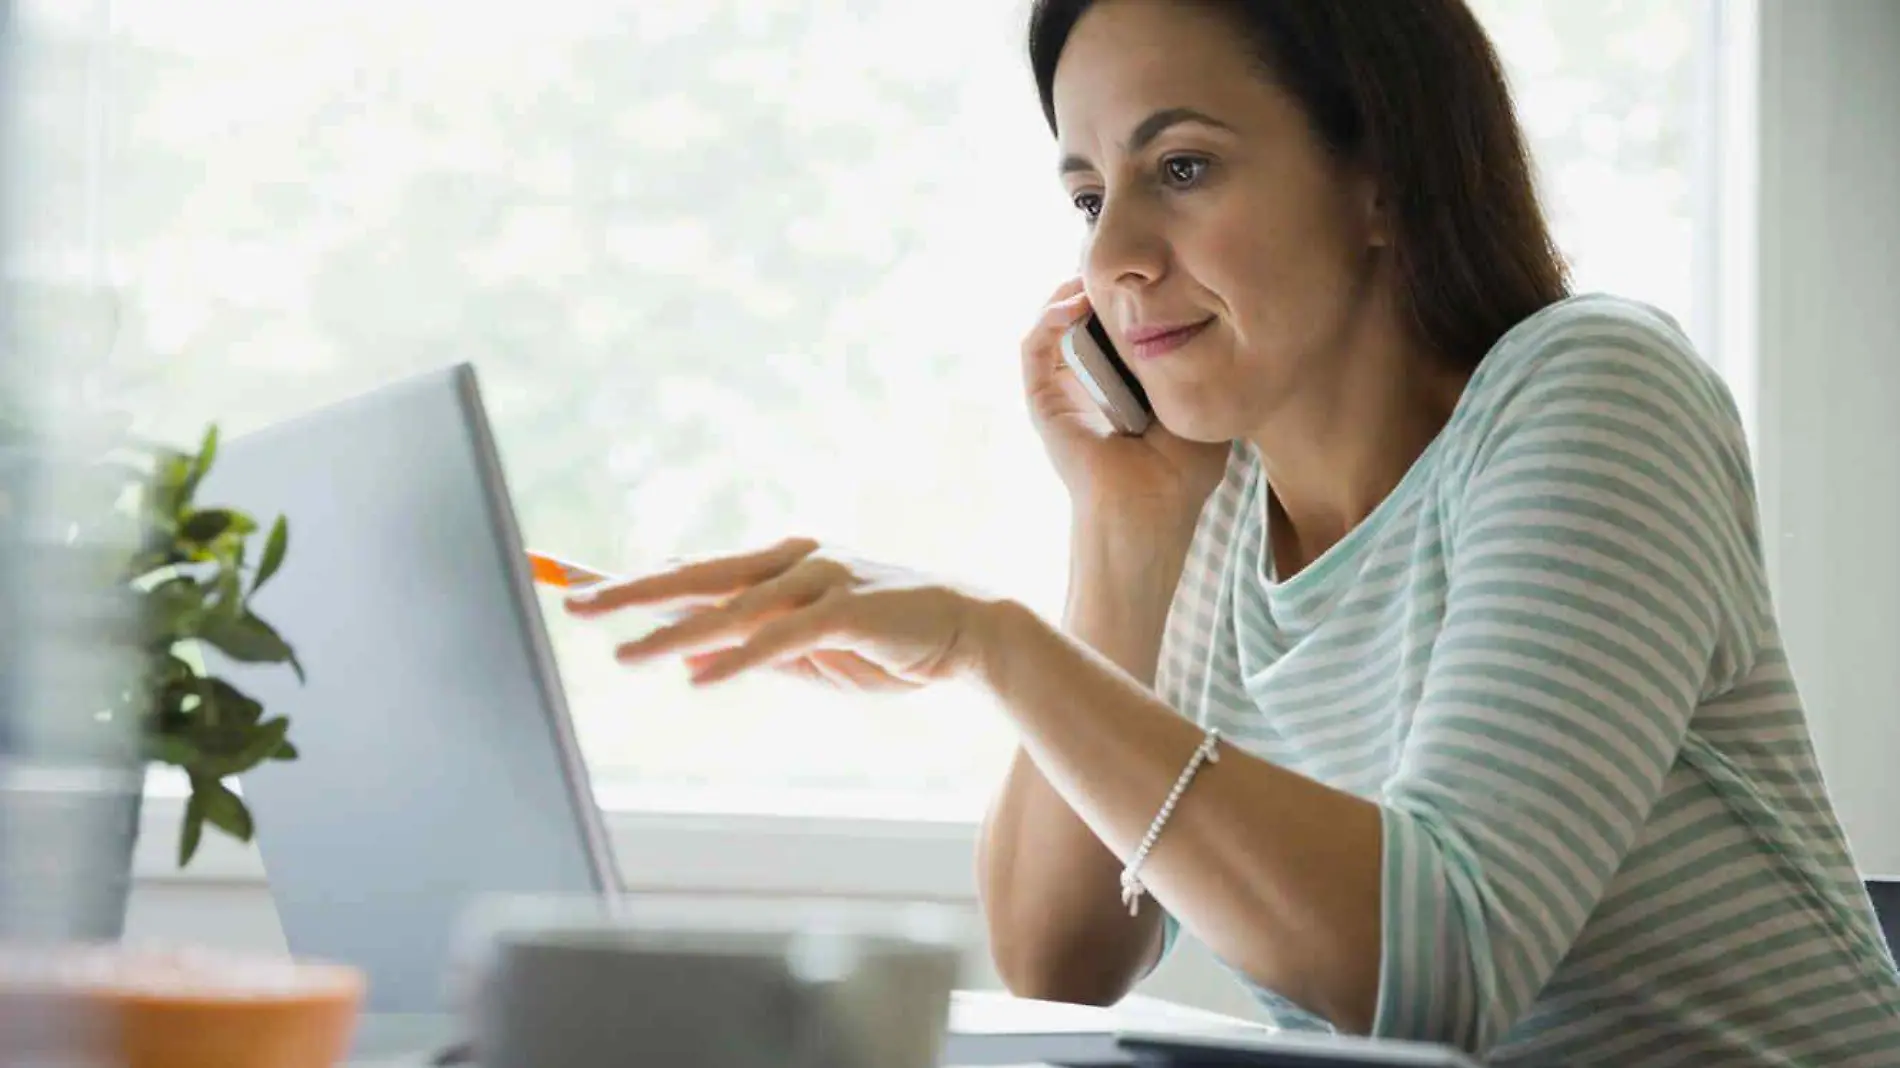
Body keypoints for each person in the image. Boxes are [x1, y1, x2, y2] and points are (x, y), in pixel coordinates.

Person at [564, 0, 1900, 1062]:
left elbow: (1436, 972)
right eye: (1090, 197)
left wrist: (993, 643)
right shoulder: (1214, 506)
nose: (1116, 258)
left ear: (1382, 177)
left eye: (1182, 167)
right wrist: (1120, 539)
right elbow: (1059, 967)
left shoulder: (1593, 390)